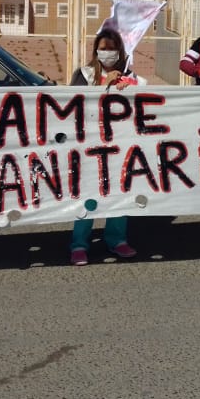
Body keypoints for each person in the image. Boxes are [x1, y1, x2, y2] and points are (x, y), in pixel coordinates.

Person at [69, 29, 140, 265]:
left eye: (111, 48)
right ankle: (79, 244)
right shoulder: (84, 74)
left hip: (118, 146)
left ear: (119, 51)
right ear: (95, 50)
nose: (107, 52)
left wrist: (127, 87)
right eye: (103, 48)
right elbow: (74, 105)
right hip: (89, 146)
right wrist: (104, 87)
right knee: (88, 195)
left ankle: (117, 239)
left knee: (119, 193)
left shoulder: (128, 76)